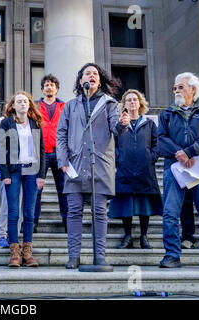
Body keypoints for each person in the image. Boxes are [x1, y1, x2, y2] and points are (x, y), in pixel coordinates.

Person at [56, 63, 129, 269]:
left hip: (101, 164)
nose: (92, 75)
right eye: (88, 73)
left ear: (100, 80)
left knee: (99, 212)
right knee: (74, 211)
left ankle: (100, 256)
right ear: (81, 81)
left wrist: (123, 123)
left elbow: (116, 128)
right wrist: (62, 161)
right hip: (75, 164)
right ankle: (74, 256)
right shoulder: (71, 105)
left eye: (95, 73)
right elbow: (61, 134)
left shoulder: (109, 103)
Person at [158, 72, 199, 269]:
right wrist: (179, 153)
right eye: (175, 87)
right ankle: (172, 255)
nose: (176, 90)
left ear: (193, 90)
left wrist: (189, 152)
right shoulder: (166, 114)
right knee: (170, 212)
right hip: (174, 167)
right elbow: (161, 139)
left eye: (181, 87)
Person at [109, 89, 162, 249]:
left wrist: (150, 158)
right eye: (129, 100)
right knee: (127, 204)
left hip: (145, 171)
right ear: (124, 105)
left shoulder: (149, 124)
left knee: (144, 204)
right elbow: (113, 145)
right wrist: (119, 159)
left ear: (140, 103)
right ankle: (128, 237)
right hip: (124, 170)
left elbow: (157, 144)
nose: (132, 102)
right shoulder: (120, 124)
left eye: (135, 99)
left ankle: (144, 237)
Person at [0, 91, 46, 268]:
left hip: (32, 171)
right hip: (14, 171)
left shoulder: (35, 124)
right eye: (19, 101)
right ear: (13, 105)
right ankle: (14, 253)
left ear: (29, 104)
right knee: (13, 213)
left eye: (25, 101)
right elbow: (1, 150)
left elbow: (41, 151)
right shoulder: (6, 123)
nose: (22, 104)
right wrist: (5, 175)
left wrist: (41, 175)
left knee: (29, 213)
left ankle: (27, 252)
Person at [34, 74, 68, 233]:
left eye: (52, 85)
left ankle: (67, 220)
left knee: (63, 189)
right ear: (42, 88)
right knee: (36, 190)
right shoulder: (34, 107)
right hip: (40, 153)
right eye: (46, 85)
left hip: (59, 152)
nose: (49, 87)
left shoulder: (65, 106)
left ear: (57, 88)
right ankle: (33, 221)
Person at [0, 115, 23, 248]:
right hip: (7, 169)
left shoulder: (29, 123)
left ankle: (14, 236)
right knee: (6, 204)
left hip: (24, 170)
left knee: (19, 206)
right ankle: (1, 234)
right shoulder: (4, 122)